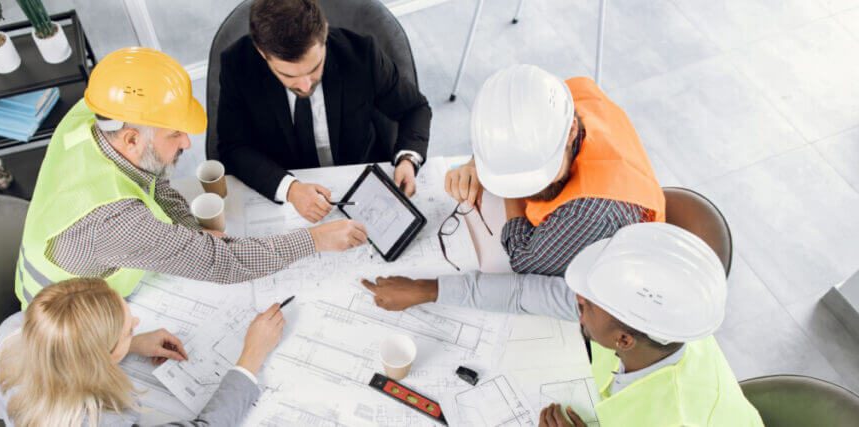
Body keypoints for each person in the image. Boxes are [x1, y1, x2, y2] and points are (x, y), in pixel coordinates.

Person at [14, 47, 368, 308]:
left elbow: (153, 180)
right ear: (132, 139)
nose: (187, 142)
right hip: (72, 323)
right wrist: (314, 241)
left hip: (75, 271)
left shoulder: (95, 115)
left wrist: (190, 228)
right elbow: (222, 263)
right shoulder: (114, 221)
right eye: (174, 135)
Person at [362, 223, 763, 427]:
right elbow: (526, 293)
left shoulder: (674, 416)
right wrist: (428, 289)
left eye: (586, 305)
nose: (577, 304)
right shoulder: (656, 329)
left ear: (623, 339)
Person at [216, 0, 432, 223]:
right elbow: (233, 147)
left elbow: (415, 109)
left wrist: (407, 159)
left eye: (314, 68)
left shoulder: (362, 55)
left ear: (325, 33)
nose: (306, 86)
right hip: (284, 193)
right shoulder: (237, 66)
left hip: (361, 184)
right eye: (289, 76)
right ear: (262, 53)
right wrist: (290, 189)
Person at [444, 64, 665, 276]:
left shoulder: (587, 214)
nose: (526, 190)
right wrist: (478, 164)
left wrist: (506, 191)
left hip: (609, 283)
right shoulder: (561, 104)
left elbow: (523, 257)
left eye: (535, 176)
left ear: (571, 131)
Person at [0, 277, 285, 426]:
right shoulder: (103, 421)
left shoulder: (16, 329)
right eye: (128, 330)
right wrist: (251, 358)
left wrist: (128, 344)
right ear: (100, 360)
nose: (135, 323)